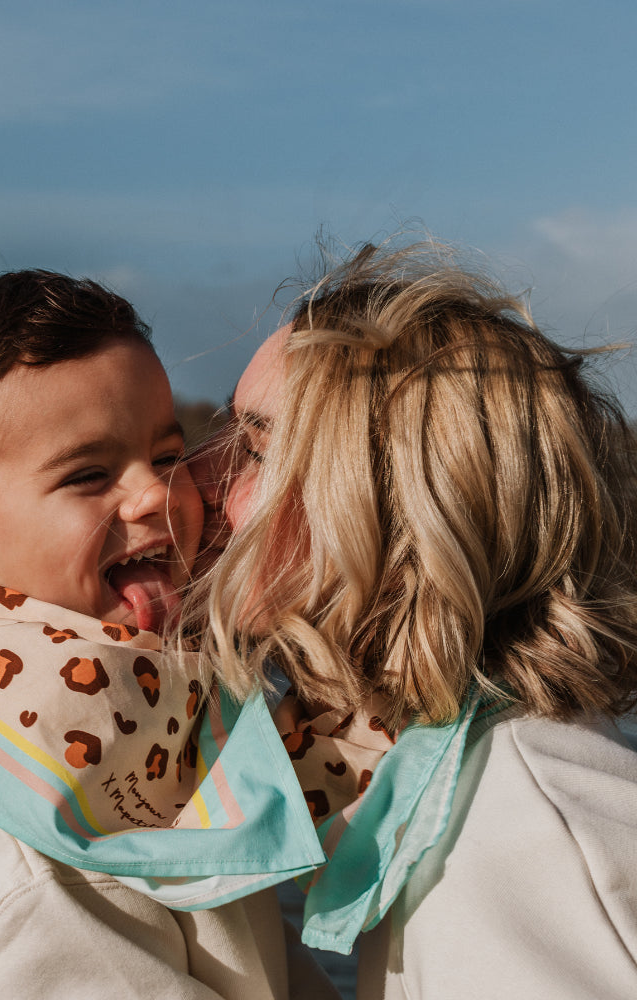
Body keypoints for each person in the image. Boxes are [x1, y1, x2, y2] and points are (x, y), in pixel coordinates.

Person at [0, 269, 345, 1000]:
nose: (156, 493)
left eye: (169, 455)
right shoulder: (32, 887)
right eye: (88, 474)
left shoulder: (154, 724)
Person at [190, 241, 637, 999]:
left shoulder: (522, 846)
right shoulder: (455, 784)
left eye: (257, 447)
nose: (201, 480)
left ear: (390, 508)